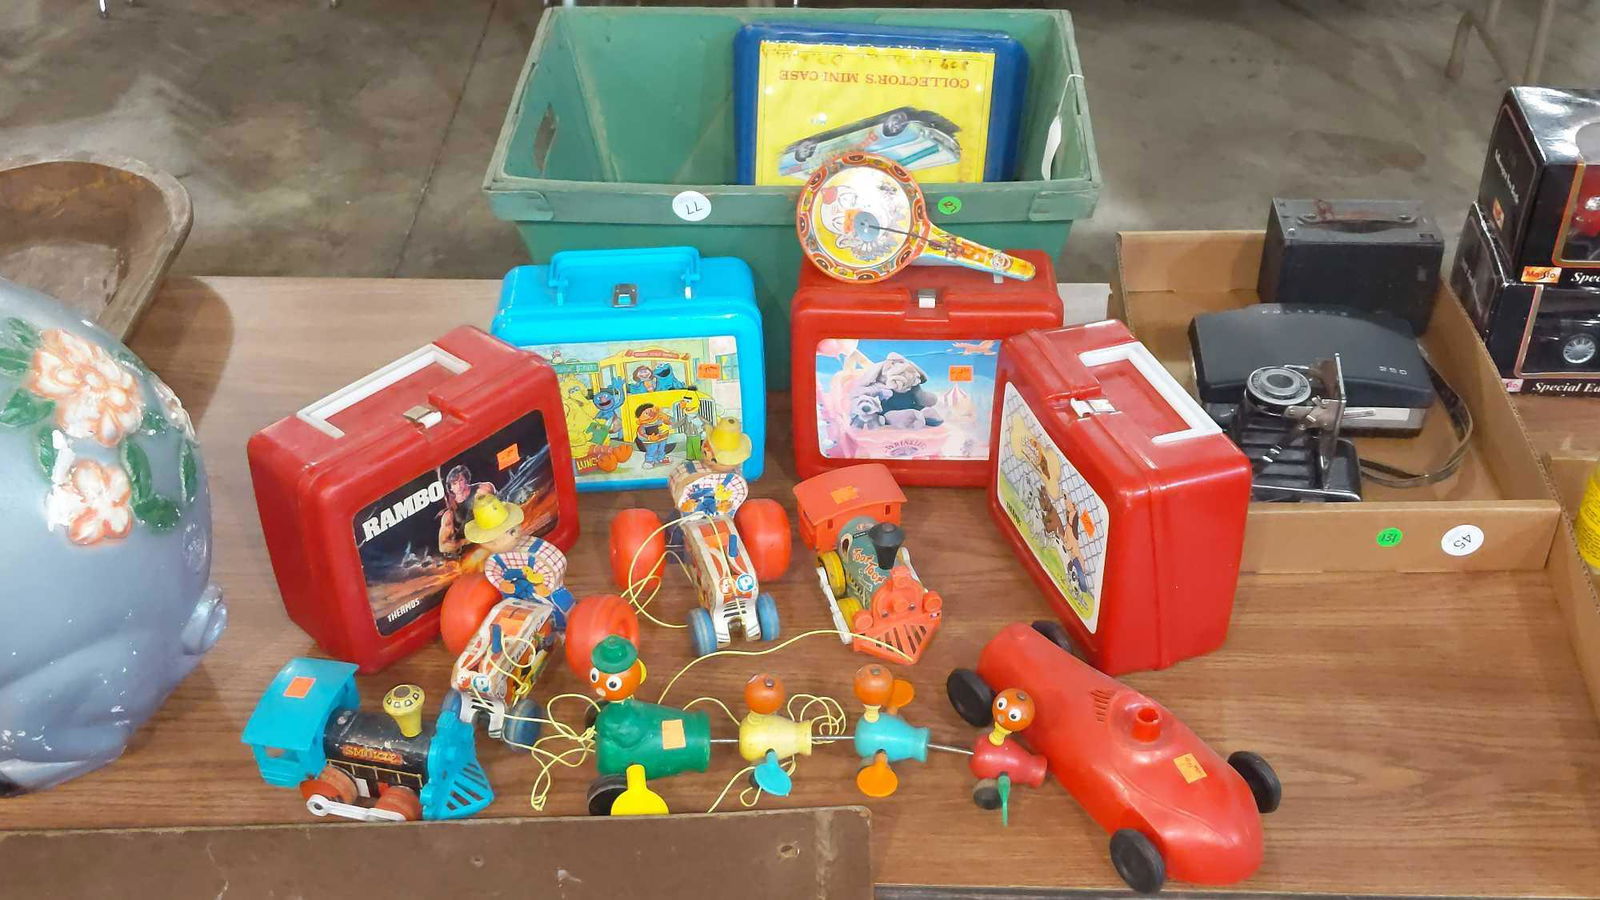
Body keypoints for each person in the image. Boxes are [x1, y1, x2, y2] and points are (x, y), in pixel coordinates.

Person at [463, 493, 575, 629]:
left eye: (515, 529)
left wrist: (545, 585)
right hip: (517, 597)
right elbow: (495, 576)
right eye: (510, 532)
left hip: (542, 592)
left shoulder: (531, 552)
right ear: (489, 543)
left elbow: (552, 570)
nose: (517, 534)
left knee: (561, 607)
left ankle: (563, 627)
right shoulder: (494, 562)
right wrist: (505, 586)